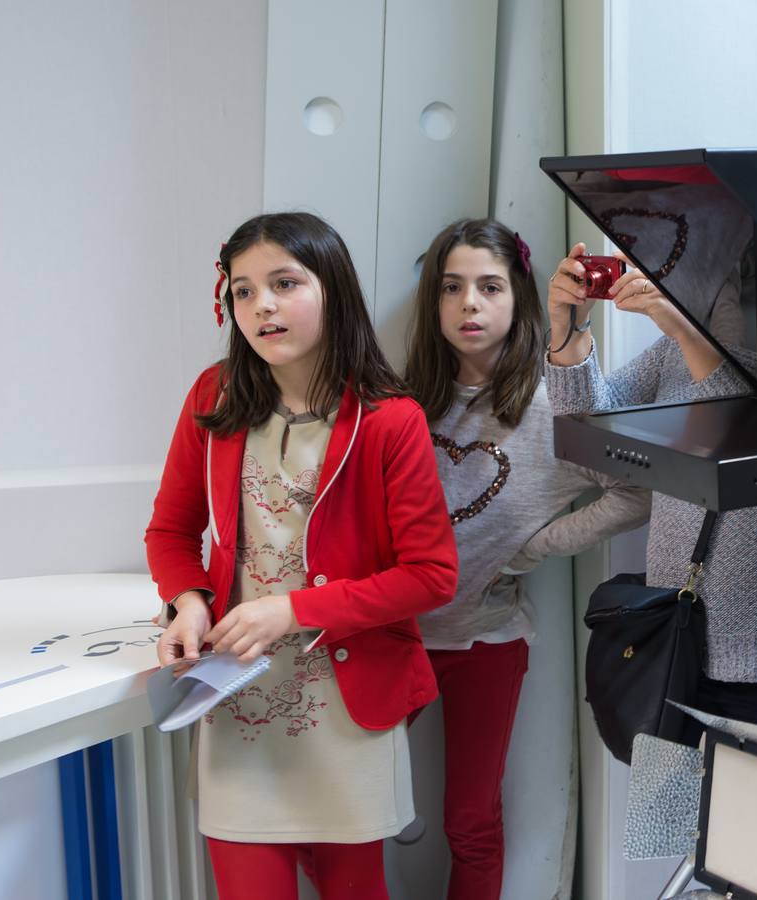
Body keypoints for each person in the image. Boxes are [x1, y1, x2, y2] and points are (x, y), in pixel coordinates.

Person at [145, 212, 458, 899]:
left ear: (332, 289)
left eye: (284, 283)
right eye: (244, 290)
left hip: (347, 711)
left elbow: (431, 575)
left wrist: (292, 609)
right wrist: (189, 603)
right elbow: (170, 533)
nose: (262, 306)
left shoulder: (388, 417)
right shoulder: (213, 396)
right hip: (236, 699)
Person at [543, 238, 757, 766]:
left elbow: (742, 440)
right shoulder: (676, 350)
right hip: (678, 660)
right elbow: (589, 441)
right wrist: (569, 330)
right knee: (683, 843)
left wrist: (685, 332)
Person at [400, 218, 649, 898]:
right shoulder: (402, 405)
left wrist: (531, 548)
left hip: (485, 641)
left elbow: (635, 493)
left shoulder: (550, 404)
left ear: (519, 297)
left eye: (489, 286)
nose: (470, 305)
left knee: (470, 821)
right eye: (451, 288)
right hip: (392, 638)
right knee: (348, 804)